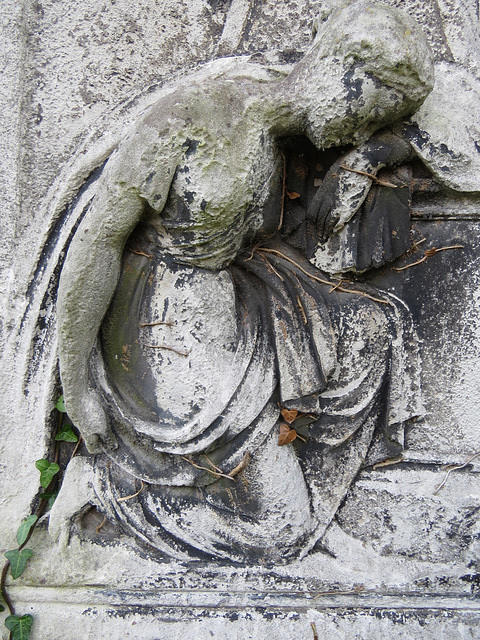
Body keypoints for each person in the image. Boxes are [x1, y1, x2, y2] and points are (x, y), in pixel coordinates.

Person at [57, 1, 432, 562]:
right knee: (280, 528)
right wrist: (76, 381)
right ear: (342, 71)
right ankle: (113, 492)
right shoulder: (197, 116)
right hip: (164, 316)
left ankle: (303, 503)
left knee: (374, 326)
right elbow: (99, 241)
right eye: (365, 115)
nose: (359, 132)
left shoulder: (278, 134)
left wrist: (378, 153)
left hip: (238, 294)